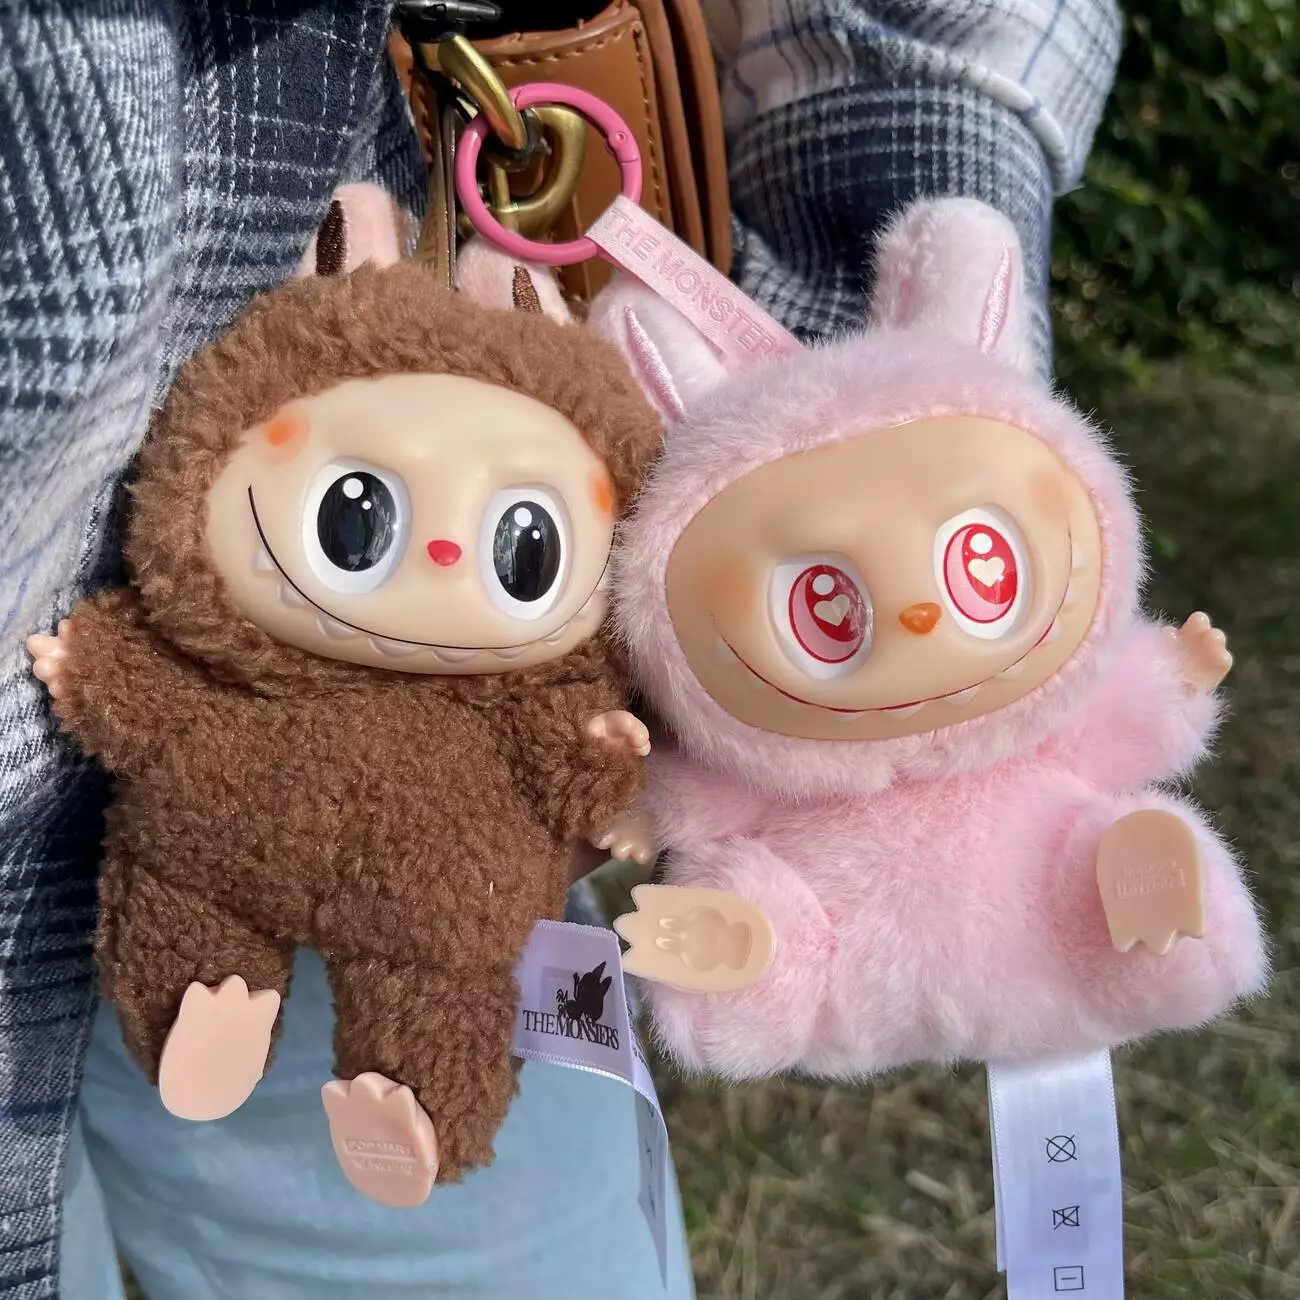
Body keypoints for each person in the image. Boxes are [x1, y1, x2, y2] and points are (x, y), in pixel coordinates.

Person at [0, 1, 1120, 1296]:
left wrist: (874, 419)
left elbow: (587, 761)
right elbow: (132, 682)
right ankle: (212, 1015)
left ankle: (414, 1106)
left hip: (425, 820)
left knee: (458, 1043)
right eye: (366, 520)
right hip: (192, 810)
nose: (434, 557)